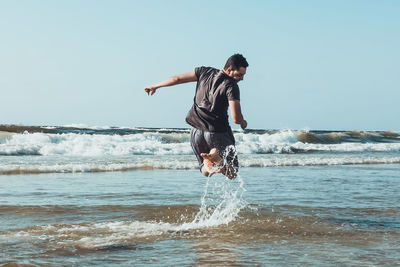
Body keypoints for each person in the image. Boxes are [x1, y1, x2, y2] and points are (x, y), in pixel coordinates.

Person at [144, 54, 248, 179]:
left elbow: (177, 79)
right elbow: (236, 118)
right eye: (239, 75)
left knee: (204, 171)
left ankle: (209, 162)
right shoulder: (231, 86)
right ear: (229, 69)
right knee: (232, 173)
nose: (241, 78)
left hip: (196, 132)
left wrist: (155, 86)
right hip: (218, 132)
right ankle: (217, 159)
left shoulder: (204, 71)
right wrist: (242, 122)